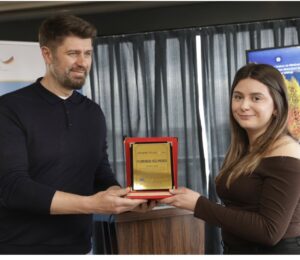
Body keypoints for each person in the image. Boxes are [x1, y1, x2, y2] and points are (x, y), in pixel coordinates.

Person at [0, 14, 151, 254]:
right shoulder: (9, 109)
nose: (83, 62)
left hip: (80, 247)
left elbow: (100, 173)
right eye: (73, 54)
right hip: (18, 249)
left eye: (88, 53)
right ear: (47, 55)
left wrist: (122, 197)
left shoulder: (92, 112)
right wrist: (92, 204)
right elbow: (12, 188)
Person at [161, 63, 300, 254]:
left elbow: (269, 231)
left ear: (277, 106)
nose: (243, 106)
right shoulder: (245, 148)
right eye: (238, 97)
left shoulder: (286, 151)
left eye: (256, 98)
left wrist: (198, 205)